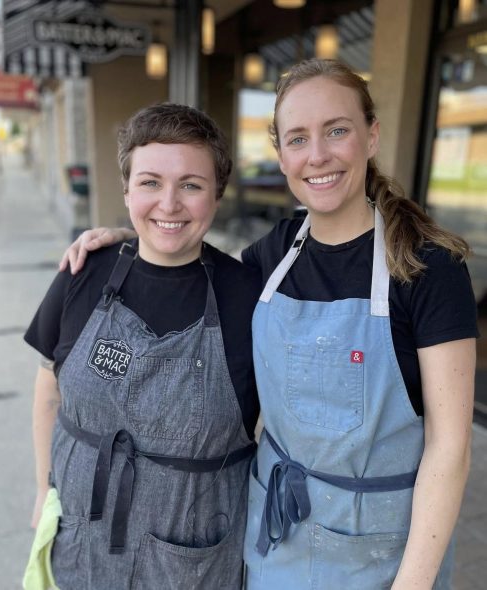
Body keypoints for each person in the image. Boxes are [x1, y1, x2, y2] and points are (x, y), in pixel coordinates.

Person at [61, 59, 477, 589]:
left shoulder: (427, 267)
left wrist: (413, 583)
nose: (318, 155)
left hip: (382, 553)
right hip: (273, 541)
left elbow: (451, 448)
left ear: (371, 137)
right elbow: (185, 254)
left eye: (338, 131)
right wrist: (127, 237)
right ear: (280, 155)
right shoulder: (273, 254)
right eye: (298, 138)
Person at [24, 103, 261, 589]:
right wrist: (43, 487)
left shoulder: (250, 300)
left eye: (191, 185)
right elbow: (49, 386)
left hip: (193, 563)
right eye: (150, 182)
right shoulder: (84, 271)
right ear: (127, 189)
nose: (168, 204)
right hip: (81, 546)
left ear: (216, 195)